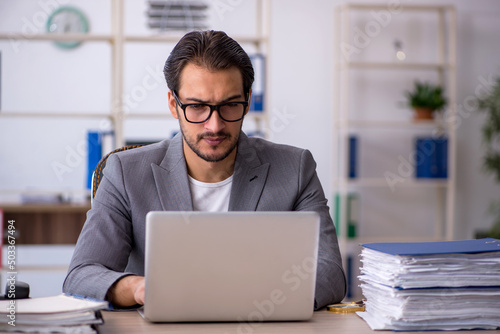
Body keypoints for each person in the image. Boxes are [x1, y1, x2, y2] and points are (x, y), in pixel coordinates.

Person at [63, 30, 346, 310]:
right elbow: (83, 274)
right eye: (197, 107)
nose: (214, 125)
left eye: (230, 105)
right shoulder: (125, 173)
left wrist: (251, 298)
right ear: (174, 104)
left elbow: (330, 272)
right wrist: (140, 288)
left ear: (247, 101)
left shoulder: (295, 169)